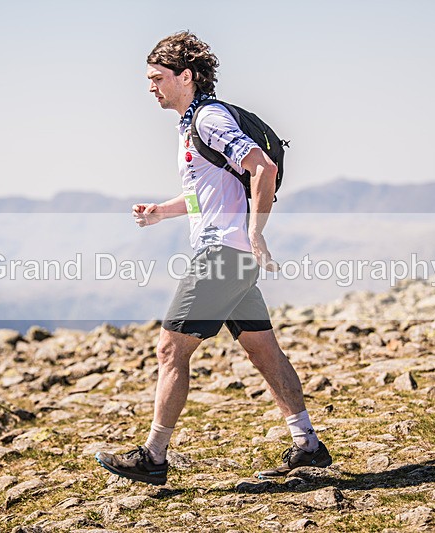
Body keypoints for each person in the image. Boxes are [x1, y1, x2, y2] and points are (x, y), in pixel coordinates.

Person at [95, 31, 331, 485]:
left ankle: (154, 456)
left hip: (222, 256)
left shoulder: (209, 119)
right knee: (264, 351)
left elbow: (262, 167)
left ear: (185, 76)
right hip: (232, 256)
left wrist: (256, 232)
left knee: (170, 348)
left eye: (157, 77)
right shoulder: (190, 125)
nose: (150, 86)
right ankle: (308, 446)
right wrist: (162, 212)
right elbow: (207, 194)